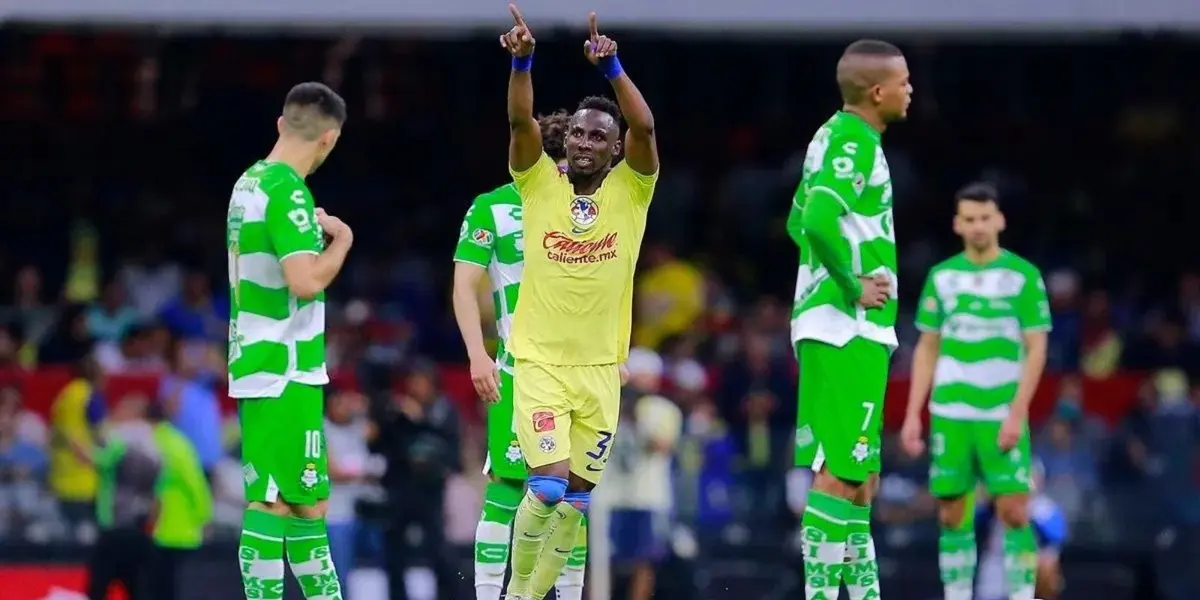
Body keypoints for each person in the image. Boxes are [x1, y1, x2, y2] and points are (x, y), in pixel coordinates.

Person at [497, 4, 659, 599]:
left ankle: (533, 597)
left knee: (579, 500)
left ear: (615, 150)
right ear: (564, 138)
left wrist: (613, 67)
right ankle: (516, 595)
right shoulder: (538, 183)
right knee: (546, 488)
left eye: (599, 136)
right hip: (540, 362)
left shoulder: (632, 192)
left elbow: (645, 128)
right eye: (579, 133)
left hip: (601, 369)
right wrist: (523, 63)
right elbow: (520, 126)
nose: (586, 142)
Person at [788, 38, 911, 600]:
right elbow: (815, 219)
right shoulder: (854, 140)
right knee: (840, 472)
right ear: (879, 91)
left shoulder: (832, 137)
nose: (911, 90)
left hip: (842, 327)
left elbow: (797, 220)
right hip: (845, 327)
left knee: (861, 482)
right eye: (905, 82)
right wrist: (850, 284)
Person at [451, 109, 591, 600]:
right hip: (519, 372)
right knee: (511, 487)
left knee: (575, 495)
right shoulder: (493, 208)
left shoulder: (586, 211)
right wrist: (477, 354)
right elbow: (464, 285)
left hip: (580, 376)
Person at [227, 81, 352, 600]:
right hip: (282, 367)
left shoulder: (248, 183)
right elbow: (305, 280)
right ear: (328, 139)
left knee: (307, 503)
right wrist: (341, 241)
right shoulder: (288, 191)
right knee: (273, 501)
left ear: (282, 124)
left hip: (264, 362)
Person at [900, 182, 1052, 600]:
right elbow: (927, 347)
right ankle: (957, 595)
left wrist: (1018, 411)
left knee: (1014, 510)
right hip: (950, 410)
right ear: (957, 224)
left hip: (1001, 411)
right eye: (970, 219)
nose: (979, 226)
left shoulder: (1023, 276)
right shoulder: (942, 277)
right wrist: (914, 414)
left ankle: (1022, 596)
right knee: (951, 512)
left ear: (999, 220)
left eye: (985, 218)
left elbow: (1037, 347)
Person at [975, 460, 1068, 600]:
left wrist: (1027, 513)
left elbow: (1057, 536)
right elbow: (976, 521)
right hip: (998, 562)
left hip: (1029, 563)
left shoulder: (1042, 507)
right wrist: (991, 502)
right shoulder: (997, 504)